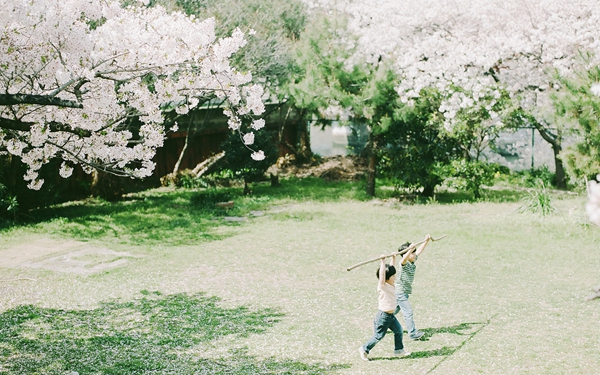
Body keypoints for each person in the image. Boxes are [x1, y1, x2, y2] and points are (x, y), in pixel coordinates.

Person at [359, 255, 411, 361]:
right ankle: (364, 349)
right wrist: (383, 262)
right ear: (387, 278)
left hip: (390, 316)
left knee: (399, 331)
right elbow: (383, 275)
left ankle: (399, 351)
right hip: (383, 316)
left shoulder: (391, 285)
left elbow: (390, 270)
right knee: (379, 336)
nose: (394, 277)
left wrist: (393, 258)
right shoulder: (382, 286)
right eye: (393, 276)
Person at [394, 234, 431, 340]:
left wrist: (425, 241)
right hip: (400, 292)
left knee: (392, 311)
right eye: (412, 252)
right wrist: (410, 250)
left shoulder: (412, 260)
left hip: (404, 292)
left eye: (414, 252)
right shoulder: (404, 263)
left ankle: (380, 322)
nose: (415, 254)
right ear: (407, 254)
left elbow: (419, 251)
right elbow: (403, 260)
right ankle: (413, 333)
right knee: (408, 312)